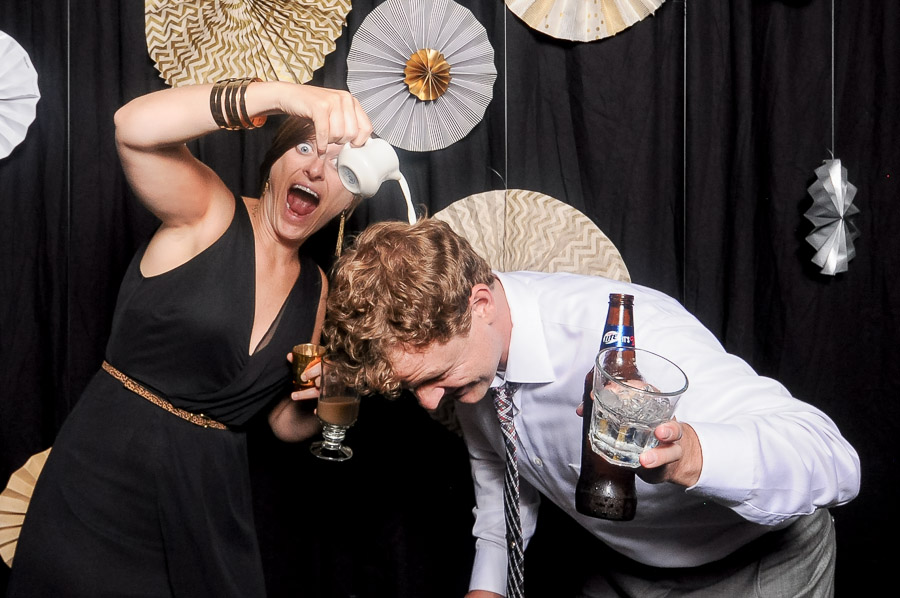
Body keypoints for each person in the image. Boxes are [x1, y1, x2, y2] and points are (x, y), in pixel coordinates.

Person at [323, 217, 861, 598]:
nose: (429, 402)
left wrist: (691, 453)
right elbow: (500, 475)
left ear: (480, 305)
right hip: (624, 566)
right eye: (412, 386)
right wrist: (486, 586)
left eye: (436, 378)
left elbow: (836, 461)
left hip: (758, 566)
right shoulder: (470, 366)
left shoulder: (628, 334)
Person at [7, 79, 373, 597]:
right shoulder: (209, 210)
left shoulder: (316, 288)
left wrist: (322, 401)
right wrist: (286, 97)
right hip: (105, 482)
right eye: (305, 146)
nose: (316, 169)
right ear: (273, 164)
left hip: (208, 505)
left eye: (339, 164)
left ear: (349, 200)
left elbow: (279, 421)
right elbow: (131, 127)